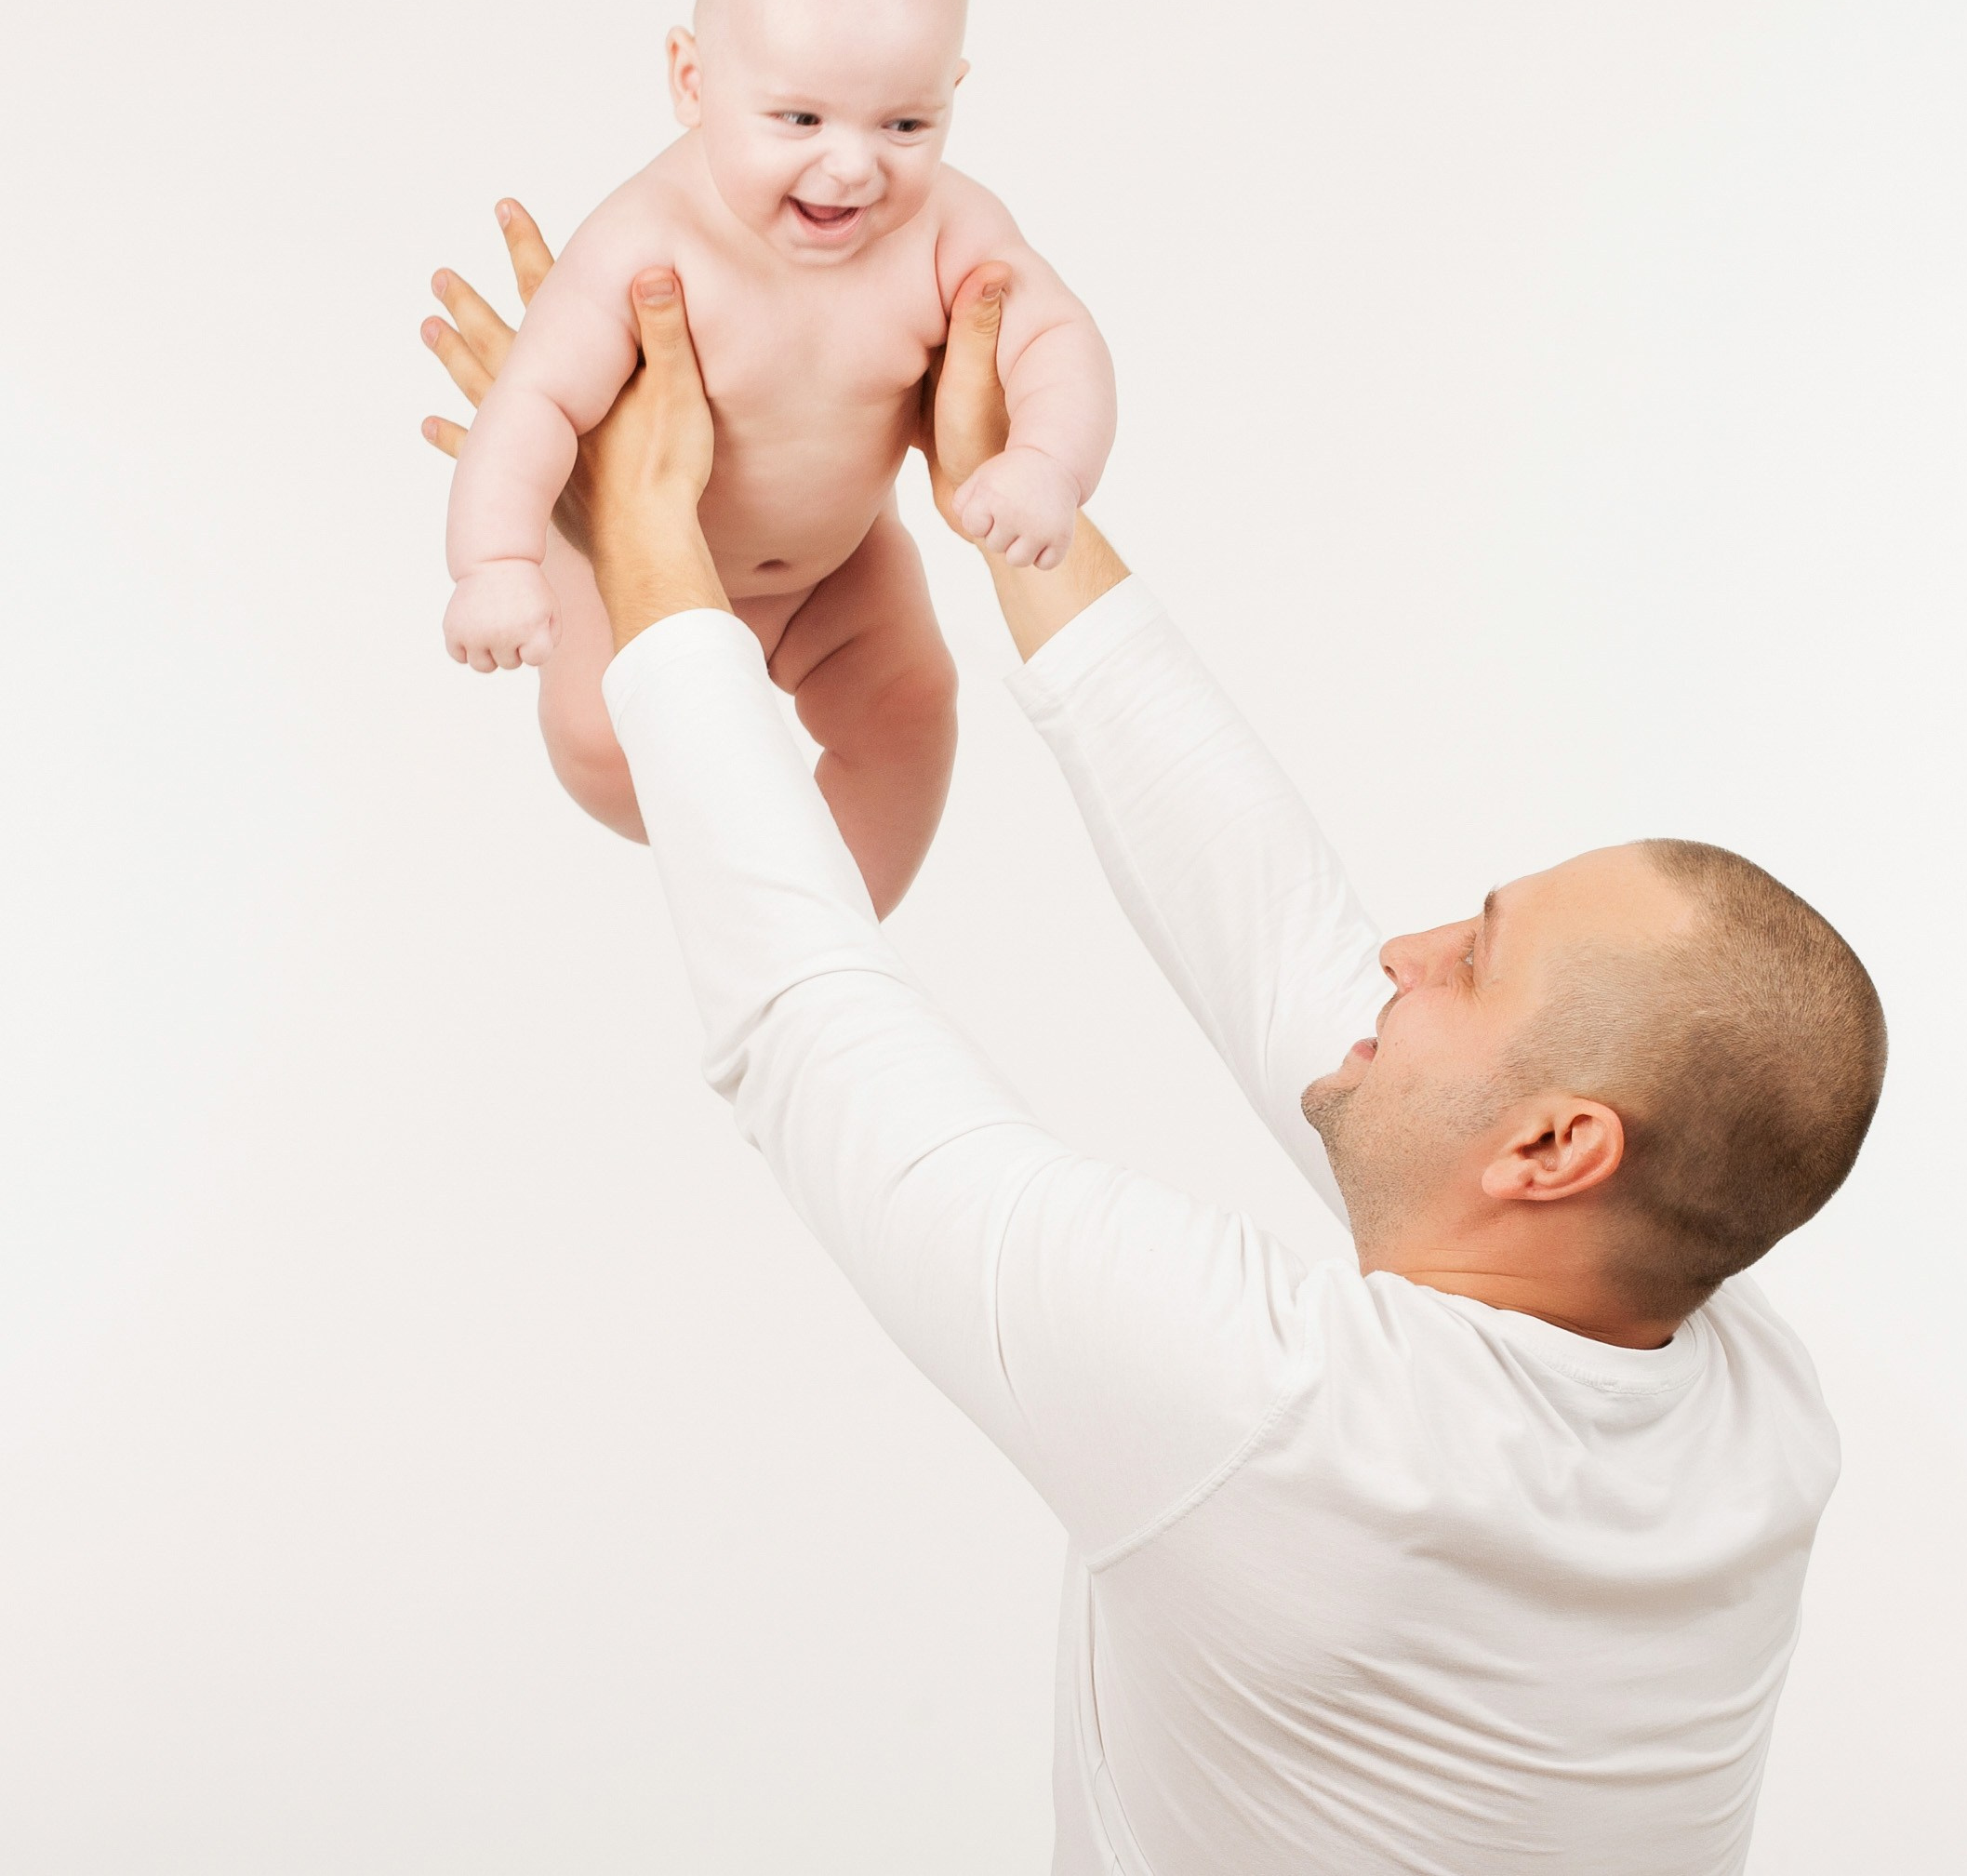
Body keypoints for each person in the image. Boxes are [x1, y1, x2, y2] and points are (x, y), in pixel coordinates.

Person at [419, 210, 1887, 1876]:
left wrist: (647, 540)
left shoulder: (1283, 1418)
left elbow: (808, 1027)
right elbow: (1293, 950)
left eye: (1469, 962)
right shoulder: (1752, 1402)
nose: (1396, 953)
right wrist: (1007, 504)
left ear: (1556, 1152)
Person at [440, 0, 1113, 912]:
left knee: (913, 713)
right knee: (602, 747)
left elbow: (1057, 339)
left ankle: (835, 937)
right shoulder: (646, 239)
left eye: (904, 125)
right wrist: (494, 563)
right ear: (693, 80)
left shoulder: (947, 230)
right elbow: (531, 400)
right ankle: (750, 868)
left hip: (839, 571)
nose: (851, 169)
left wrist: (1046, 465)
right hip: (631, 573)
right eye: (798, 120)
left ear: (953, 92)